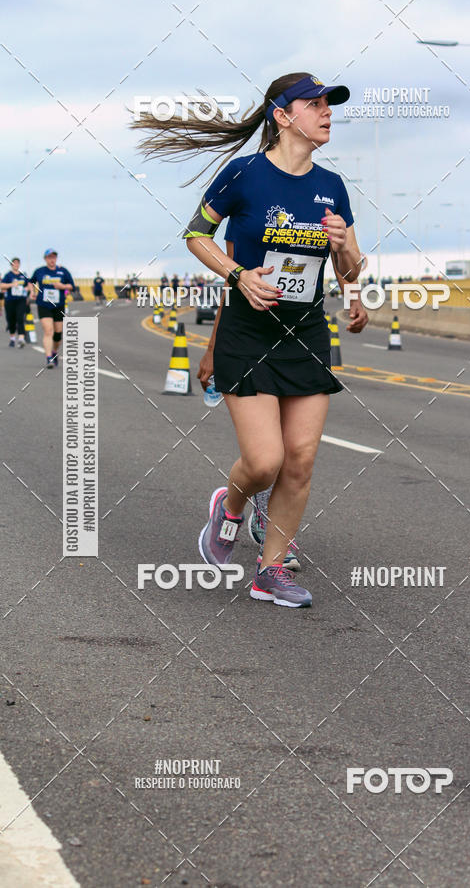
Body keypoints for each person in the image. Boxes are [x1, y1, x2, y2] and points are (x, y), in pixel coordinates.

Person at [133, 71, 368, 608]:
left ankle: (269, 571)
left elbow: (351, 263)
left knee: (301, 460)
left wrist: (345, 259)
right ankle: (232, 504)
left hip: (305, 329)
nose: (327, 111)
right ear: (283, 116)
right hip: (247, 327)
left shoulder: (332, 186)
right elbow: (196, 233)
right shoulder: (244, 175)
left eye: (330, 104)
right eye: (315, 104)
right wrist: (239, 276)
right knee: (265, 461)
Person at [29, 248, 74, 368]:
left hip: (58, 305)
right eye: (49, 257)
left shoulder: (63, 271)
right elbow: (30, 281)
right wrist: (31, 292)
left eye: (54, 257)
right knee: (48, 331)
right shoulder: (40, 271)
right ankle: (49, 357)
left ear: (56, 258)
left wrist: (62, 286)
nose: (52, 259)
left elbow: (71, 286)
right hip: (44, 305)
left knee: (58, 334)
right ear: (45, 259)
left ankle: (54, 352)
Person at [0, 257, 29, 347]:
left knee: (20, 318)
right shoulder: (8, 275)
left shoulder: (23, 275)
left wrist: (28, 289)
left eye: (17, 263)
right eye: (14, 263)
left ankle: (21, 339)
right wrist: (12, 284)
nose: (16, 265)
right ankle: (12, 338)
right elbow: (2, 286)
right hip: (10, 301)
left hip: (21, 300)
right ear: (11, 265)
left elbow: (29, 285)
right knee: (11, 320)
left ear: (19, 265)